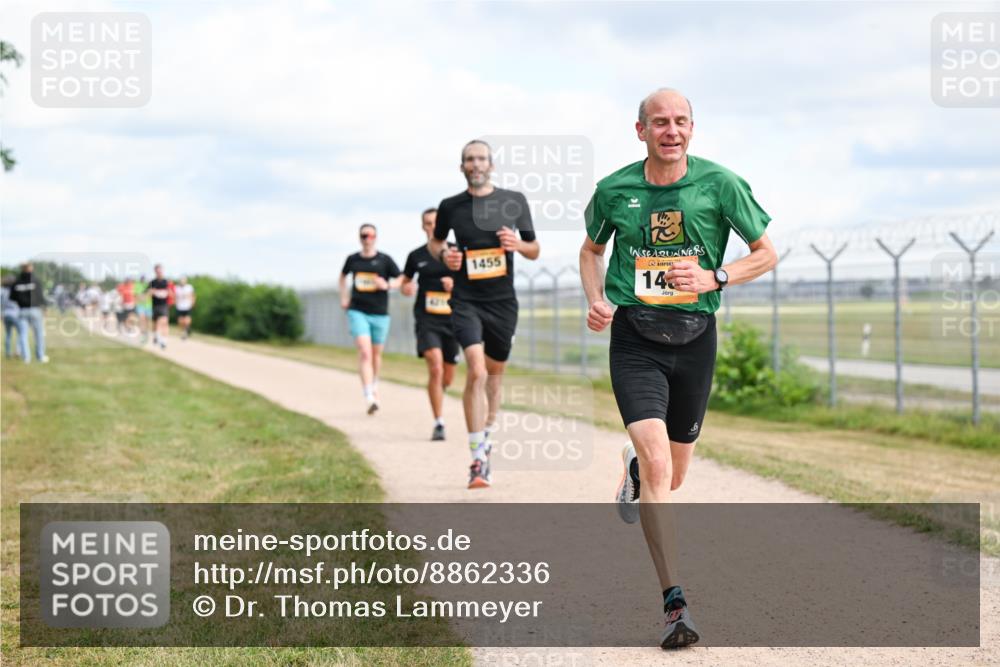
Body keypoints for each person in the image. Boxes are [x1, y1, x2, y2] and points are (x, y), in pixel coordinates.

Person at [579, 88, 776, 649]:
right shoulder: (614, 190)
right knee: (659, 463)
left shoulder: (721, 184)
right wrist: (596, 298)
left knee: (673, 475)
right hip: (635, 338)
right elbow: (591, 251)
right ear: (640, 130)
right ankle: (675, 604)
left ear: (692, 128)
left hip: (695, 339)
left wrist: (717, 276)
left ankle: (635, 470)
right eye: (660, 122)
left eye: (681, 121)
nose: (672, 131)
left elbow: (766, 252)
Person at [428, 139, 539, 489]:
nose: (475, 164)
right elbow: (436, 242)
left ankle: (487, 432)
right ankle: (477, 458)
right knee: (476, 370)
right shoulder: (450, 206)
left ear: (491, 165)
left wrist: (517, 245)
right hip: (466, 300)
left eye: (481, 159)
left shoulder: (513, 201)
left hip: (502, 303)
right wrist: (445, 255)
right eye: (469, 159)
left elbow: (534, 248)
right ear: (461, 167)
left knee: (494, 375)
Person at [401, 208, 459, 441]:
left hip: (453, 319)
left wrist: (454, 285)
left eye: (436, 222)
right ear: (423, 226)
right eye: (428, 223)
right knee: (435, 366)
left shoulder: (457, 251)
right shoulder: (416, 256)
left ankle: (438, 391)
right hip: (427, 319)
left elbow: (472, 282)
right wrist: (406, 288)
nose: (433, 227)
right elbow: (405, 281)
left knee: (447, 377)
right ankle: (439, 422)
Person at [339, 224, 402, 414]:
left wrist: (387, 285)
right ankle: (368, 396)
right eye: (364, 235)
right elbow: (342, 277)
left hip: (380, 313)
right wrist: (344, 297)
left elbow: (401, 279)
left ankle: (374, 385)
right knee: (365, 352)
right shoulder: (353, 259)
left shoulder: (385, 260)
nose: (367, 239)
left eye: (370, 235)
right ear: (359, 237)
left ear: (376, 237)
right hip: (357, 311)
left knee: (375, 354)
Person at [11, 263, 49, 363]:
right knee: (38, 334)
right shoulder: (35, 280)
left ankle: (26, 357)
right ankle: (40, 356)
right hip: (35, 310)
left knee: (23, 334)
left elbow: (12, 297)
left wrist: (21, 300)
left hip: (22, 310)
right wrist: (45, 308)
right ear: (31, 268)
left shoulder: (17, 282)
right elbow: (41, 296)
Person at [2, 276, 27, 361]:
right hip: (16, 314)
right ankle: (18, 350)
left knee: (8, 334)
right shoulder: (17, 291)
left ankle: (8, 352)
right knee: (21, 332)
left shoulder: (2, 291)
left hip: (6, 314)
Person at [146, 265, 171, 349]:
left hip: (164, 305)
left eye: (160, 271)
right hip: (155, 305)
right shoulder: (152, 282)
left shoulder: (167, 282)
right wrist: (151, 292)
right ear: (155, 272)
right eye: (157, 271)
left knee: (164, 322)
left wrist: (168, 293)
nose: (159, 273)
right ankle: (156, 336)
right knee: (155, 324)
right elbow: (147, 294)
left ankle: (164, 341)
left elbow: (172, 293)